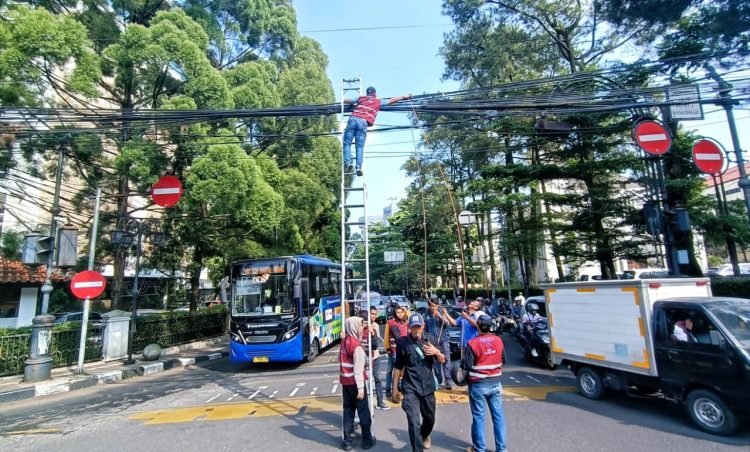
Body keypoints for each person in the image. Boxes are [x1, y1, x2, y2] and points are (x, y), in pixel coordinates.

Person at [392, 313, 447, 451]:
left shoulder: (431, 339)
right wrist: (394, 389)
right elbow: (398, 366)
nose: (416, 330)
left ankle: (425, 434)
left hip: (428, 387)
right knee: (414, 422)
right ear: (409, 327)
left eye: (419, 327)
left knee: (430, 419)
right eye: (414, 327)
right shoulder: (403, 343)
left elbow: (443, 360)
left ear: (423, 326)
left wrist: (436, 352)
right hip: (410, 388)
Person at [461, 315, 507, 452]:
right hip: (496, 383)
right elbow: (503, 359)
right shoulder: (498, 340)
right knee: (498, 418)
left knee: (479, 418)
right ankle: (502, 449)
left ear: (478, 326)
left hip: (478, 385)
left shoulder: (473, 343)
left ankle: (479, 448)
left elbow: (467, 366)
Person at [342, 87, 411, 176]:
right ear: (375, 94)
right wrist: (404, 96)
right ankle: (358, 167)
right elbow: (391, 100)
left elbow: (349, 100)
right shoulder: (378, 101)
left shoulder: (361, 98)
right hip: (363, 123)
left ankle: (347, 163)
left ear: (367, 93)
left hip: (353, 119)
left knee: (347, 143)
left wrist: (343, 100)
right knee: (359, 147)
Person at [340, 316, 375, 451]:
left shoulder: (344, 342)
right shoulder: (356, 347)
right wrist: (361, 388)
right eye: (360, 326)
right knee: (363, 412)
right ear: (354, 327)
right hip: (356, 384)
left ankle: (347, 441)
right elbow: (358, 370)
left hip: (346, 383)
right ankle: (367, 440)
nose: (362, 329)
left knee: (348, 412)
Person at [361, 307, 390, 410]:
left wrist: (373, 333)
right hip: (364, 357)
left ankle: (380, 401)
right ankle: (364, 403)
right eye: (371, 314)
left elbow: (376, 343)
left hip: (375, 356)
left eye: (374, 314)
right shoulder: (361, 325)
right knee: (364, 380)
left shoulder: (376, 326)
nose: (373, 316)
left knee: (377, 378)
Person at [424, 295, 456, 389]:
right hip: (433, 342)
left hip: (444, 340)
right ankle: (439, 380)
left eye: (435, 305)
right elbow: (424, 329)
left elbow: (447, 323)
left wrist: (439, 315)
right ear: (428, 306)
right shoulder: (426, 315)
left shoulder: (442, 312)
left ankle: (448, 381)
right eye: (431, 306)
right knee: (436, 362)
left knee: (446, 361)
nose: (433, 307)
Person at [384, 305, 409, 397]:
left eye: (401, 312)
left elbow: (409, 317)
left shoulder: (405, 322)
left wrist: (406, 311)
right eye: (398, 312)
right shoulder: (391, 323)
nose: (400, 314)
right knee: (394, 370)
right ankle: (391, 389)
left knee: (394, 370)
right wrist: (387, 347)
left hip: (401, 350)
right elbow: (388, 336)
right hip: (394, 350)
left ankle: (396, 388)